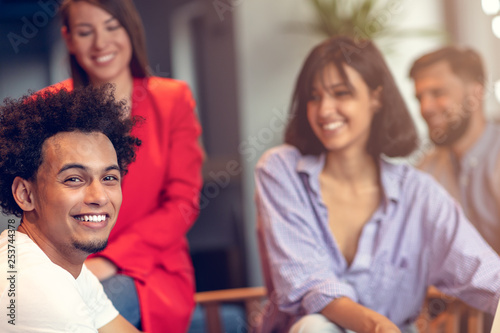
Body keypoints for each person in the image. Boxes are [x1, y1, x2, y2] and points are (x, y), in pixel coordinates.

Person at [254, 36, 500, 333]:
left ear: (376, 98)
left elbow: (484, 273)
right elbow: (306, 282)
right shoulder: (282, 171)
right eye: (314, 96)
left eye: (341, 93)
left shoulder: (418, 191)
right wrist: (376, 326)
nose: (324, 110)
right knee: (314, 327)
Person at [50, 0, 204, 331]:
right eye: (85, 31)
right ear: (69, 39)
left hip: (150, 268)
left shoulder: (172, 100)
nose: (101, 43)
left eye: (111, 27)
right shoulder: (51, 107)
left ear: (130, 29)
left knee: (82, 316)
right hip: (69, 264)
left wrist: (110, 259)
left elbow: (183, 204)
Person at [0, 85, 141, 332]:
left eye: (109, 178)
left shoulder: (63, 266)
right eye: (74, 179)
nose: (99, 197)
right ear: (25, 194)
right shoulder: (35, 285)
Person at [409, 46, 500, 255]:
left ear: (476, 94)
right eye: (419, 98)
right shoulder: (425, 170)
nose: (425, 108)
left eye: (437, 93)